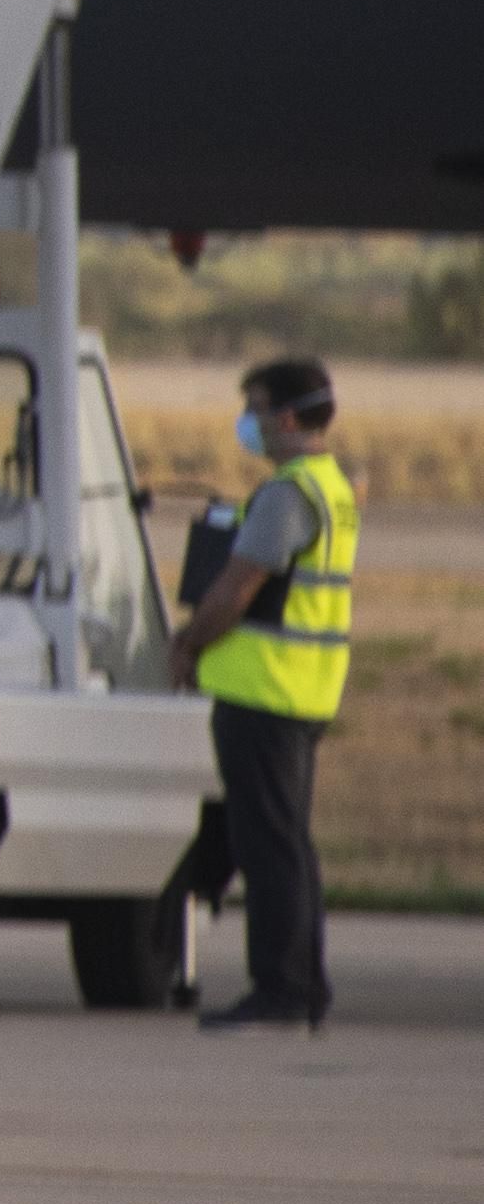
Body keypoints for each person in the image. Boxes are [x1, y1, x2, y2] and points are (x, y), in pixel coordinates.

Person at [176, 354, 356, 1033]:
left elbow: (238, 586)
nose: (246, 424)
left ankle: (281, 991)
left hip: (265, 695)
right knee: (289, 846)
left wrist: (189, 643)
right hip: (303, 694)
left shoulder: (287, 495)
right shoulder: (330, 486)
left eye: (253, 409)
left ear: (285, 416)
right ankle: (305, 988)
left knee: (268, 847)